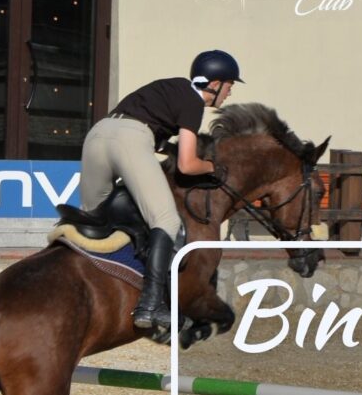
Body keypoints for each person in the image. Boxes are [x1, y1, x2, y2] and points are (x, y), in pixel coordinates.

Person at [78, 50, 242, 331]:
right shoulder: (194, 101)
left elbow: (160, 141)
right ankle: (151, 305)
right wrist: (213, 167)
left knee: (93, 220)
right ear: (215, 84)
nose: (230, 92)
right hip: (129, 139)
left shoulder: (171, 87)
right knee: (166, 220)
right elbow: (187, 165)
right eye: (229, 85)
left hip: (96, 136)